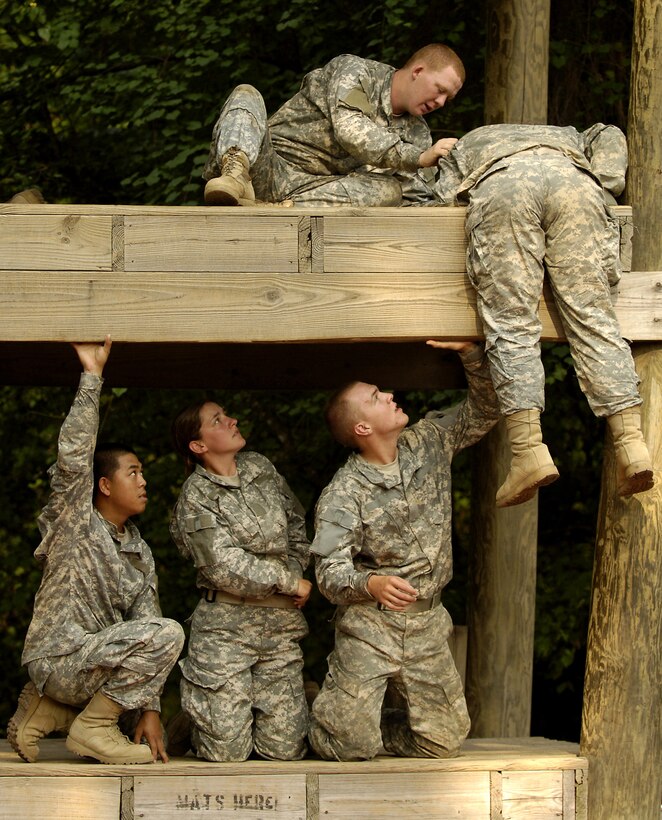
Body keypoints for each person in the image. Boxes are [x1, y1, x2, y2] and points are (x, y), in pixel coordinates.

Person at [434, 123, 654, 507]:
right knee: (594, 321)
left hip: (504, 188)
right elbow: (610, 134)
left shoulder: (467, 142)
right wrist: (604, 184)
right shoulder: (570, 133)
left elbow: (438, 197)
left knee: (511, 324)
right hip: (575, 187)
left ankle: (528, 452)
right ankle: (632, 446)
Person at [308, 340, 499, 761]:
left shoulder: (429, 440)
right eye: (376, 398)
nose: (390, 395)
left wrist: (470, 354)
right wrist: (370, 583)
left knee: (444, 742)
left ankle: (366, 723)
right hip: (369, 628)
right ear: (362, 428)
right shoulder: (342, 493)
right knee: (349, 746)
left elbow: (486, 409)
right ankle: (327, 720)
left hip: (429, 624)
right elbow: (328, 572)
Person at [7, 336, 185, 765]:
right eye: (133, 472)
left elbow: (147, 627)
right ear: (104, 485)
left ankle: (52, 711)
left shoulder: (139, 550)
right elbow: (74, 460)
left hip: (91, 667)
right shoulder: (75, 522)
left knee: (152, 655)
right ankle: (91, 726)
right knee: (170, 633)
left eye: (143, 473)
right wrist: (92, 376)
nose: (144, 482)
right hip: (60, 659)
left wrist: (151, 709)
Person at [170, 400, 312, 762]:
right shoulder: (196, 496)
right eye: (217, 420)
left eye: (226, 415)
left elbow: (296, 524)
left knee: (284, 752)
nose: (232, 420)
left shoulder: (260, 467)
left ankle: (299, 700)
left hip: (280, 630)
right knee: (226, 753)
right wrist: (287, 581)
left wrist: (295, 571)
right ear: (198, 446)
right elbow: (222, 566)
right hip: (225, 634)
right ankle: (196, 720)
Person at [203, 43, 464, 207]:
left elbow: (416, 196)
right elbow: (350, 129)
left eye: (448, 98)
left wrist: (461, 196)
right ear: (418, 71)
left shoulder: (418, 133)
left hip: (314, 194)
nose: (441, 102)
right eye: (439, 89)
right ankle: (234, 174)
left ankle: (272, 209)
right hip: (269, 166)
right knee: (246, 93)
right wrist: (417, 157)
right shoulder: (357, 73)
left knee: (390, 191)